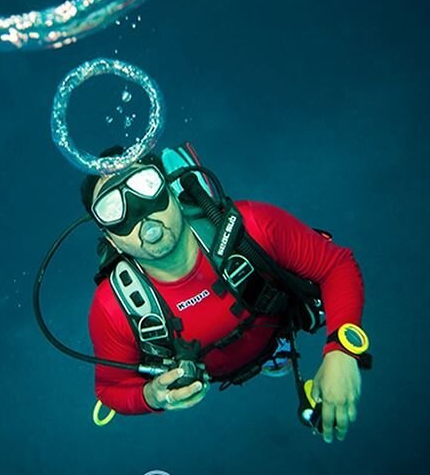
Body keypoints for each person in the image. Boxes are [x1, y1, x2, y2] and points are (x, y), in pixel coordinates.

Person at [81, 145, 367, 443]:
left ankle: (277, 349)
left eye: (145, 185)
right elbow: (110, 388)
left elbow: (336, 265)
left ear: (171, 189)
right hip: (210, 369)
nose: (141, 213)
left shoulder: (254, 227)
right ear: (110, 239)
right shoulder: (111, 308)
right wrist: (152, 396)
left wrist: (342, 352)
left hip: (274, 325)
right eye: (113, 209)